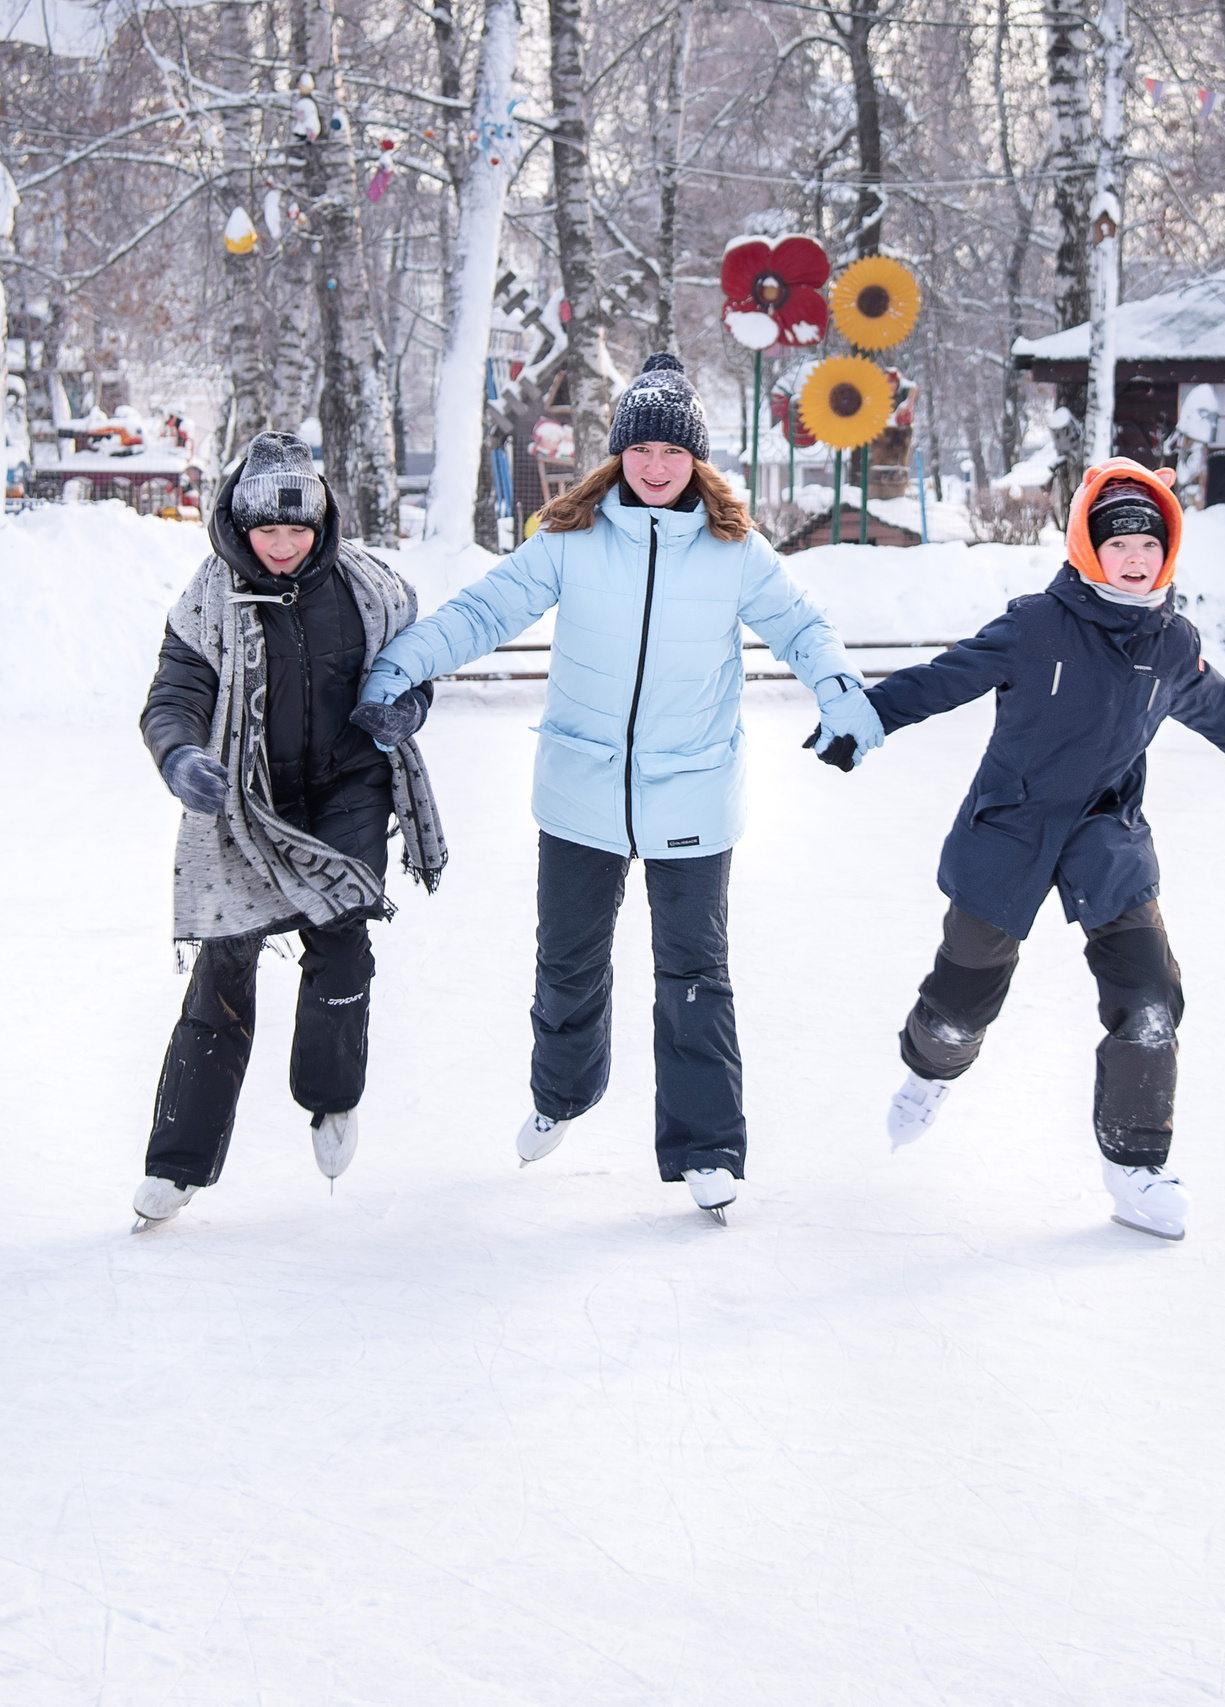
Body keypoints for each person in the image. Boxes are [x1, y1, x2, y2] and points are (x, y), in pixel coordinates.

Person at [352, 353, 884, 1224]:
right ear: (620, 453)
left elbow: (800, 624)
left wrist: (841, 694)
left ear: (697, 460)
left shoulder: (733, 548)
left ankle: (706, 1147)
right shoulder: (571, 536)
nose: (656, 465)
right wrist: (396, 671)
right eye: (641, 448)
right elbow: (484, 611)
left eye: (673, 451)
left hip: (693, 795)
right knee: (566, 966)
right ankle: (560, 1095)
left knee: (694, 974)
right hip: (581, 792)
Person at [828, 458, 1225, 1241]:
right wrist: (865, 719)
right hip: (1009, 828)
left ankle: (1137, 1166)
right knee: (960, 1005)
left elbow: (1211, 701)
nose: (1136, 555)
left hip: (1105, 833)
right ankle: (929, 1067)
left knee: (1150, 996)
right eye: (1120, 542)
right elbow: (946, 678)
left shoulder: (1171, 642)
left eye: (1151, 540)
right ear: (1087, 544)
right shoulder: (1036, 624)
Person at [129, 432, 450, 1230]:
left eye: (296, 530)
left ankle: (331, 1099)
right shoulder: (208, 601)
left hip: (348, 786)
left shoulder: (367, 588)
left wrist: (402, 709)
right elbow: (174, 696)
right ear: (240, 527)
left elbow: (415, 670)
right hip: (247, 801)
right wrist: (178, 758)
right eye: (266, 532)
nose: (281, 545)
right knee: (224, 965)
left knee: (342, 941)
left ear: (320, 523)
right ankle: (178, 1164)